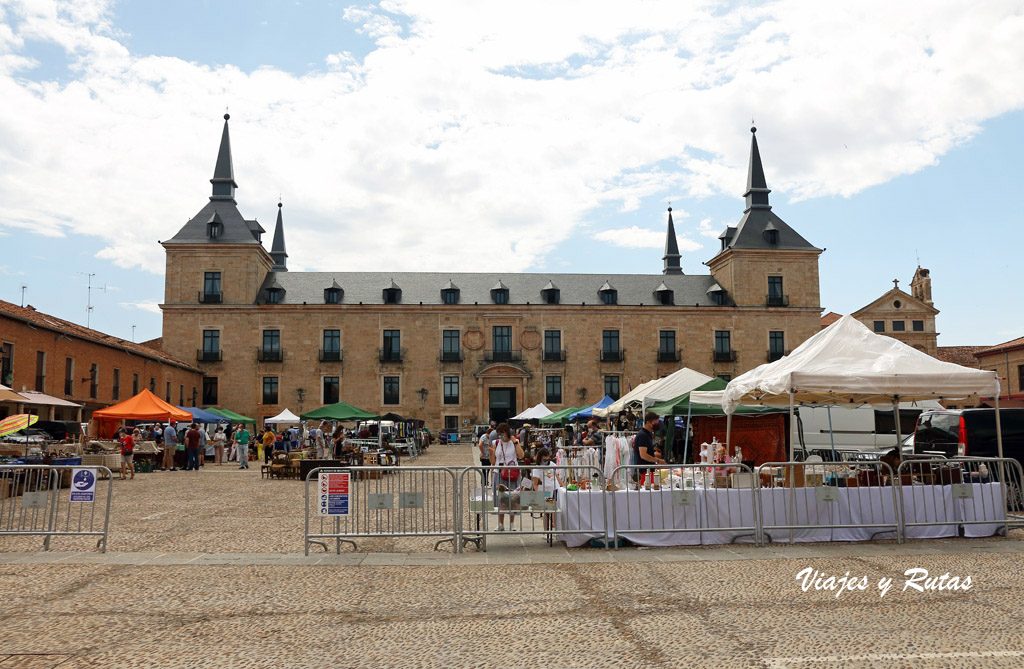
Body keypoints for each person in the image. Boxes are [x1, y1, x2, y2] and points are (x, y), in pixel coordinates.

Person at [488, 422, 524, 532]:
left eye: (502, 433)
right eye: (499, 434)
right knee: (500, 498)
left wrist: (515, 442)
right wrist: (491, 453)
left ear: (507, 432)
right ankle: (500, 524)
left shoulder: (514, 442)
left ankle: (512, 523)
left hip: (512, 472)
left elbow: (521, 455)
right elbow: (493, 461)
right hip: (499, 472)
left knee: (513, 496)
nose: (501, 436)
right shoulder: (496, 442)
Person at [531, 448, 561, 531]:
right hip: (546, 491)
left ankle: (555, 527)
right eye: (544, 459)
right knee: (547, 511)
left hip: (555, 488)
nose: (546, 461)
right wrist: (538, 495)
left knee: (556, 509)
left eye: (548, 459)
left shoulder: (552, 464)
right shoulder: (537, 469)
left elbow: (557, 476)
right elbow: (535, 483)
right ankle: (546, 530)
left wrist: (562, 486)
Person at [632, 412, 666, 483]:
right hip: (644, 472)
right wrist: (658, 461)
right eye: (655, 424)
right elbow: (643, 455)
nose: (657, 426)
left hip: (647, 471)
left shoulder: (647, 434)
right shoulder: (643, 435)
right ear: (648, 423)